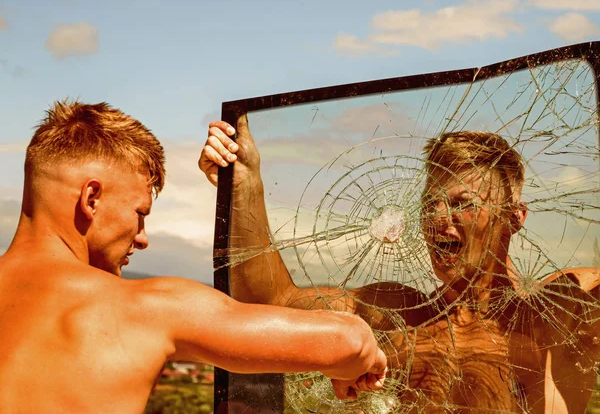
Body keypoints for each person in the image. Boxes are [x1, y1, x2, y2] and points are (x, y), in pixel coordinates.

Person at [0, 100, 388, 413]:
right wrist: (353, 367)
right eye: (140, 213)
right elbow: (349, 340)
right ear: (91, 198)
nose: (143, 238)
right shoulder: (144, 308)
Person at [200, 115, 600, 413]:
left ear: (515, 217)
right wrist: (247, 184)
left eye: (462, 203)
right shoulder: (401, 314)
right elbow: (272, 300)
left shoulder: (559, 310)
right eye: (431, 203)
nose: (440, 218)